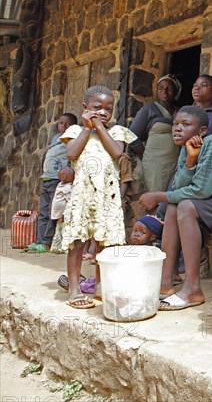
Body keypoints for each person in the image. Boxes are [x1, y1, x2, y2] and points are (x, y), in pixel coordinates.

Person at [138, 105, 212, 311]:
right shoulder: (187, 149)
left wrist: (158, 196)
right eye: (176, 124)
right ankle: (165, 283)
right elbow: (178, 187)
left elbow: (201, 191)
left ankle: (192, 288)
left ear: (202, 131)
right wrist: (190, 160)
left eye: (185, 124)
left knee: (185, 206)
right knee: (172, 207)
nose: (177, 128)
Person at [60, 85, 137, 309]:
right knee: (77, 243)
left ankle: (101, 285)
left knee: (104, 244)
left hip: (107, 196)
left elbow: (116, 152)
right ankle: (74, 287)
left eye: (108, 109)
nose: (103, 112)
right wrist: (87, 128)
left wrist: (100, 127)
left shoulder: (117, 132)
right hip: (82, 196)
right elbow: (72, 154)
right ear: (85, 108)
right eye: (97, 108)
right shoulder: (75, 131)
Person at [24, 113, 77, 253]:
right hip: (47, 179)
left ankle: (47, 242)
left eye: (68, 124)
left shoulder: (72, 139)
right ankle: (39, 240)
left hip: (58, 181)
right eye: (61, 123)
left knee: (52, 212)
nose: (64, 126)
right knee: (43, 212)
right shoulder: (55, 138)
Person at [129, 75, 182, 193]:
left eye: (169, 88)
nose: (165, 91)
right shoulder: (149, 110)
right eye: (161, 88)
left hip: (175, 161)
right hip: (154, 163)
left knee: (171, 197)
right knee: (155, 197)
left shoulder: (180, 112)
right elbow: (131, 135)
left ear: (175, 92)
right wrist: (146, 153)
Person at [48, 165, 75, 254]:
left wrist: (65, 213)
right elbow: (68, 200)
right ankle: (60, 247)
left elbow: (68, 201)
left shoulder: (64, 186)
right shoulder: (64, 186)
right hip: (61, 214)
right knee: (61, 230)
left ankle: (59, 247)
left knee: (61, 230)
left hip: (61, 214)